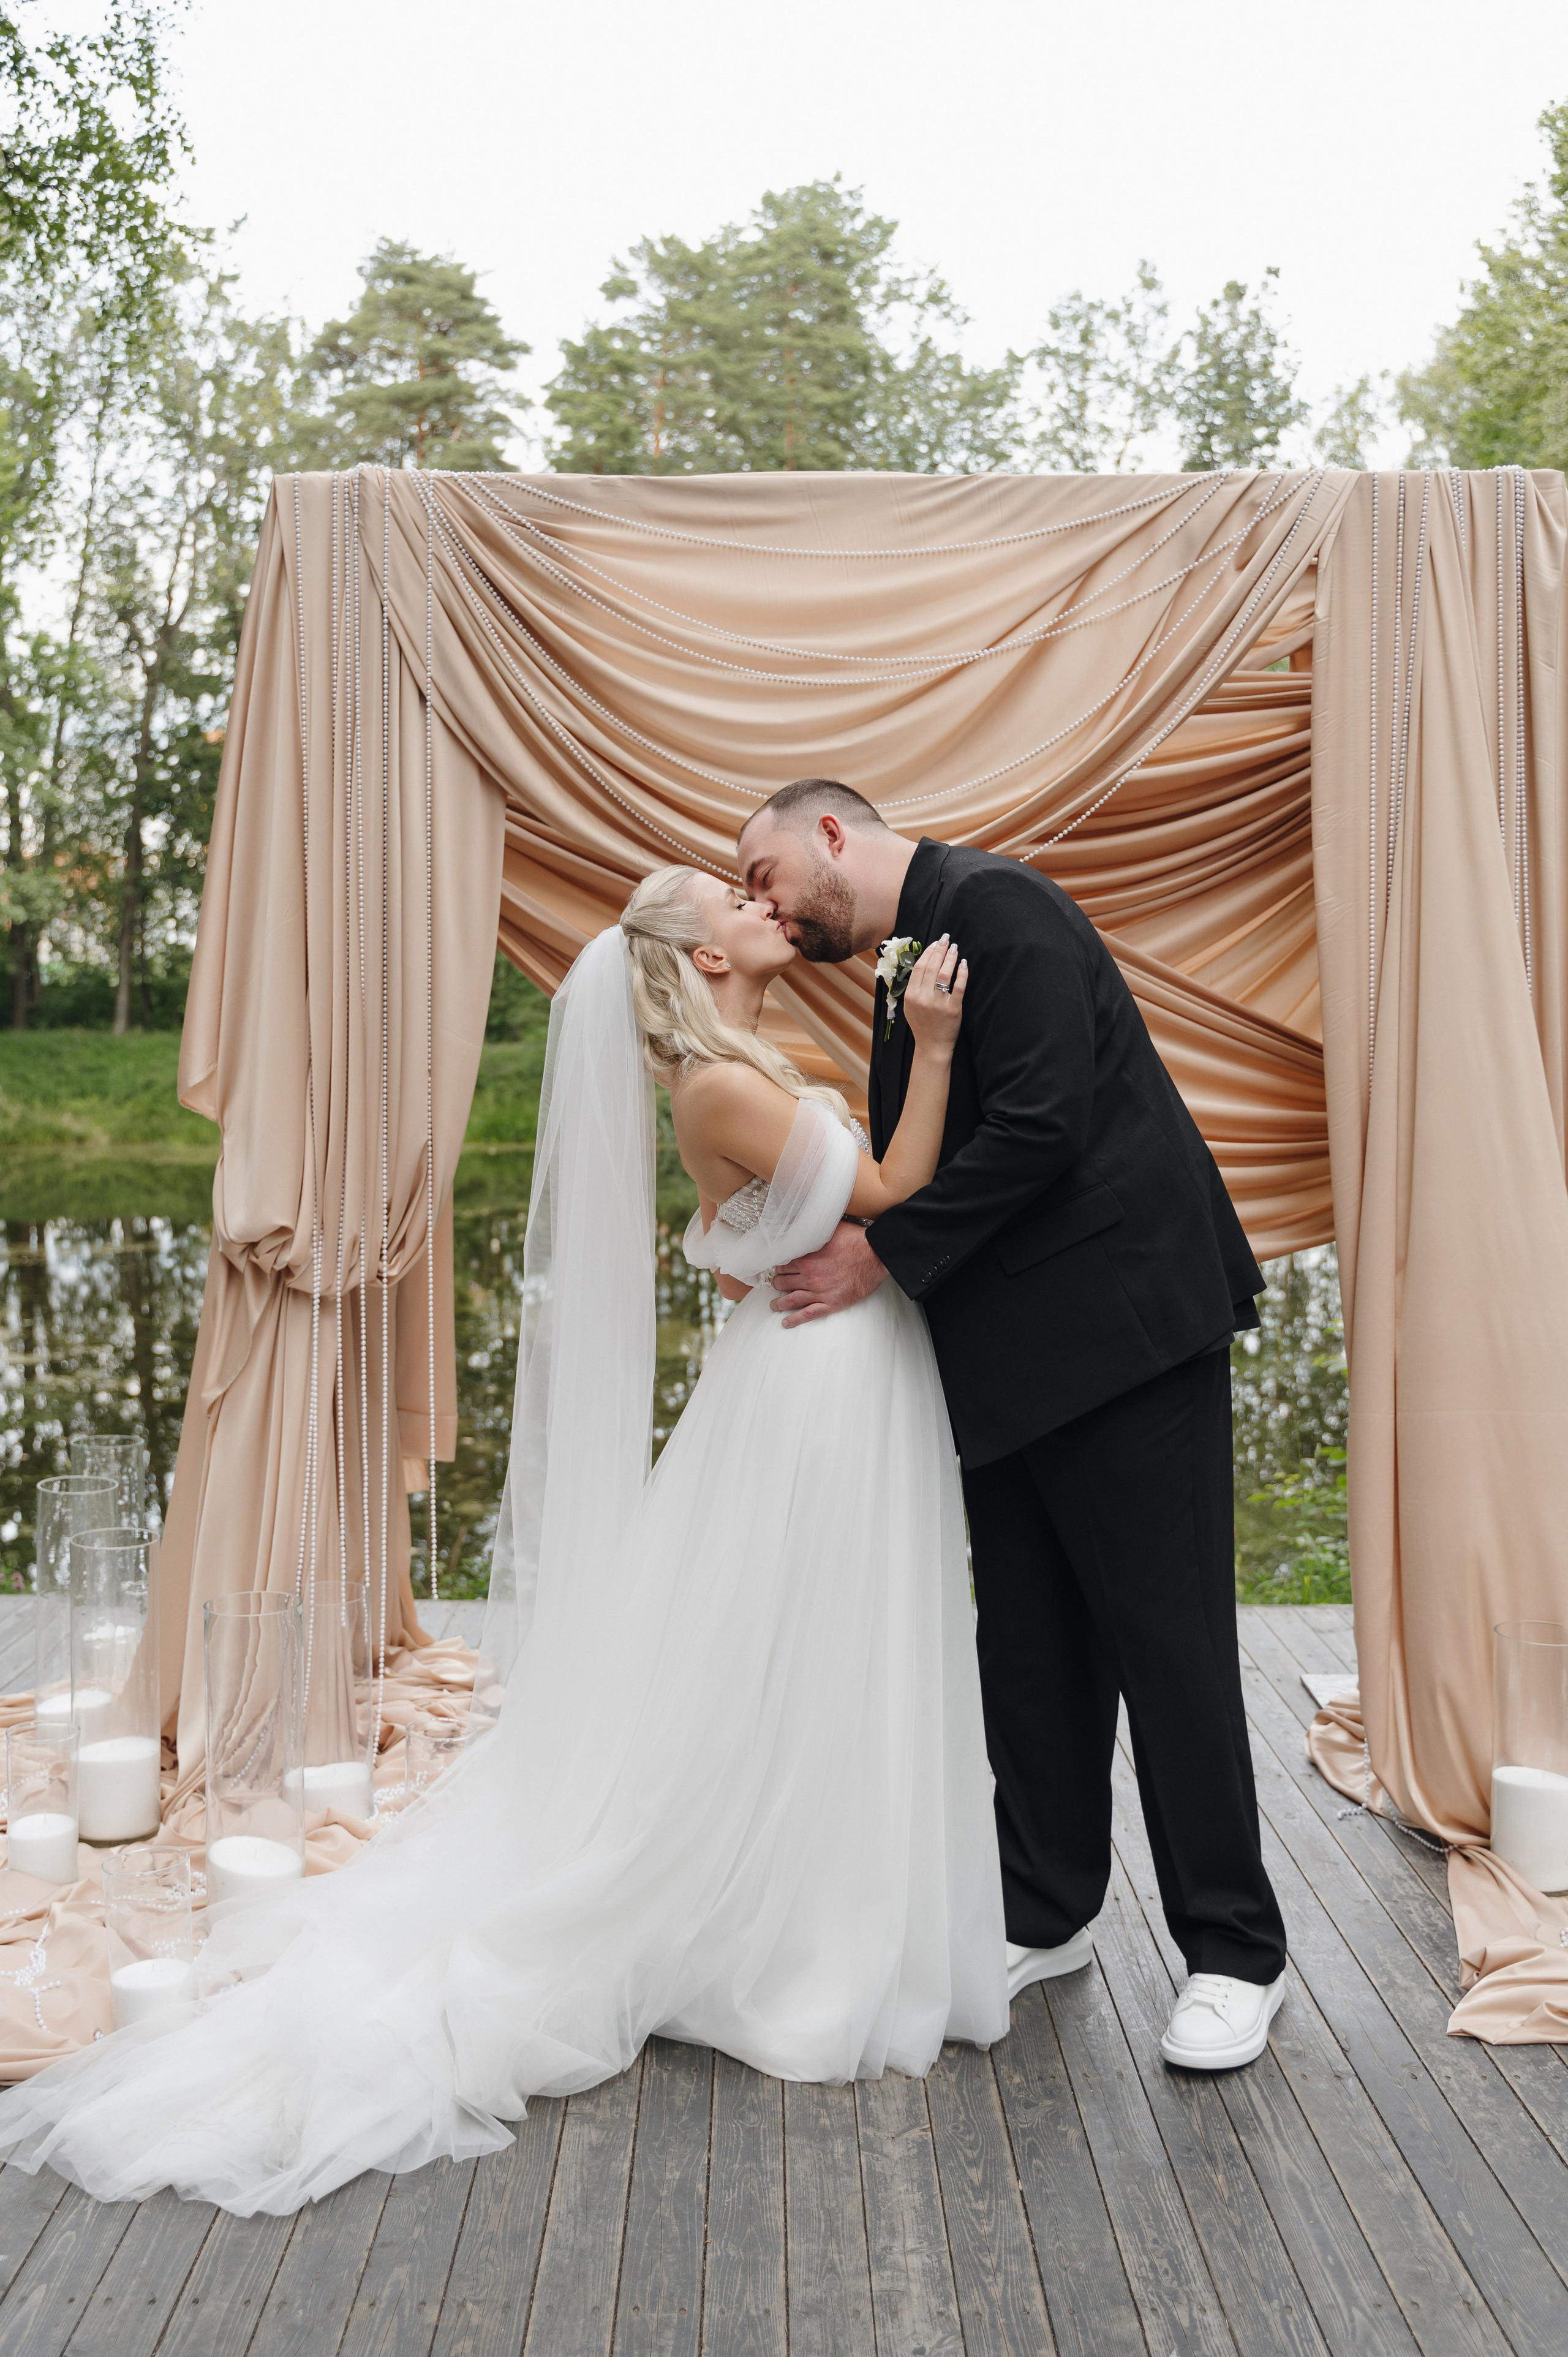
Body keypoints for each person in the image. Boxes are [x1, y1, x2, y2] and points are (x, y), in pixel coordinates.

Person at [0, 867, 1006, 2216]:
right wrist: (933, 1048)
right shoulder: (720, 1086)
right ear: (702, 958)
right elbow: (892, 1186)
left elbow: (732, 1252)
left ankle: (825, 1896)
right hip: (818, 1388)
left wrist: (772, 1225)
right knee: (809, 1641)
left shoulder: (746, 1066)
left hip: (826, 1372)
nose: (760, 904)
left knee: (818, 1648)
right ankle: (800, 1927)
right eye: (734, 899)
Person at [739, 779, 1290, 2072]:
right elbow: (925, 1149)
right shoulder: (907, 951)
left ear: (832, 834)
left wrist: (879, 1258)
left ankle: (1234, 1952)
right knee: (1031, 1650)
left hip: (1125, 1340)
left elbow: (1045, 1125)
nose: (765, 905)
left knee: (1169, 1650)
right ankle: (1044, 1910)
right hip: (1005, 1360)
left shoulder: (999, 909)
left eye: (764, 874)